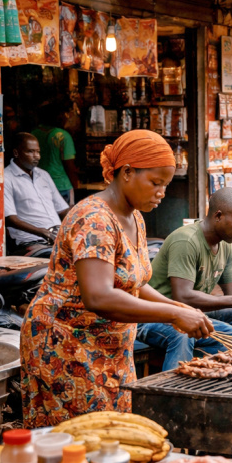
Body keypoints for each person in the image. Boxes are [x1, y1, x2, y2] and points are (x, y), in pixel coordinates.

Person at [20, 130, 213, 427]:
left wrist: (180, 310)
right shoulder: (94, 218)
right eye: (155, 183)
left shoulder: (134, 216)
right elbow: (100, 296)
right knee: (79, 444)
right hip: (66, 346)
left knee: (113, 437)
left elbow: (134, 281)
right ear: (126, 173)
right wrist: (173, 313)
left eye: (165, 184)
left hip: (109, 349)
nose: (161, 192)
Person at [136, 188, 232, 372]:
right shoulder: (186, 241)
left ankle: (206, 372)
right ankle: (175, 389)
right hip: (153, 316)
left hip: (193, 312)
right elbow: (182, 298)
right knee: (182, 336)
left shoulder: (226, 244)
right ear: (218, 216)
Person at [4, 133, 70, 256]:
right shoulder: (6, 178)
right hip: (31, 243)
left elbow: (62, 209)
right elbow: (10, 219)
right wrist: (42, 232)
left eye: (38, 152)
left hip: (57, 239)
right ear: (16, 153)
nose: (37, 157)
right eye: (31, 152)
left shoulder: (43, 175)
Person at [32, 101, 79, 205]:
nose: (66, 118)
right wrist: (76, 187)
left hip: (38, 185)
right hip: (61, 186)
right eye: (64, 114)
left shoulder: (32, 135)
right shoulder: (63, 136)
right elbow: (69, 165)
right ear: (57, 116)